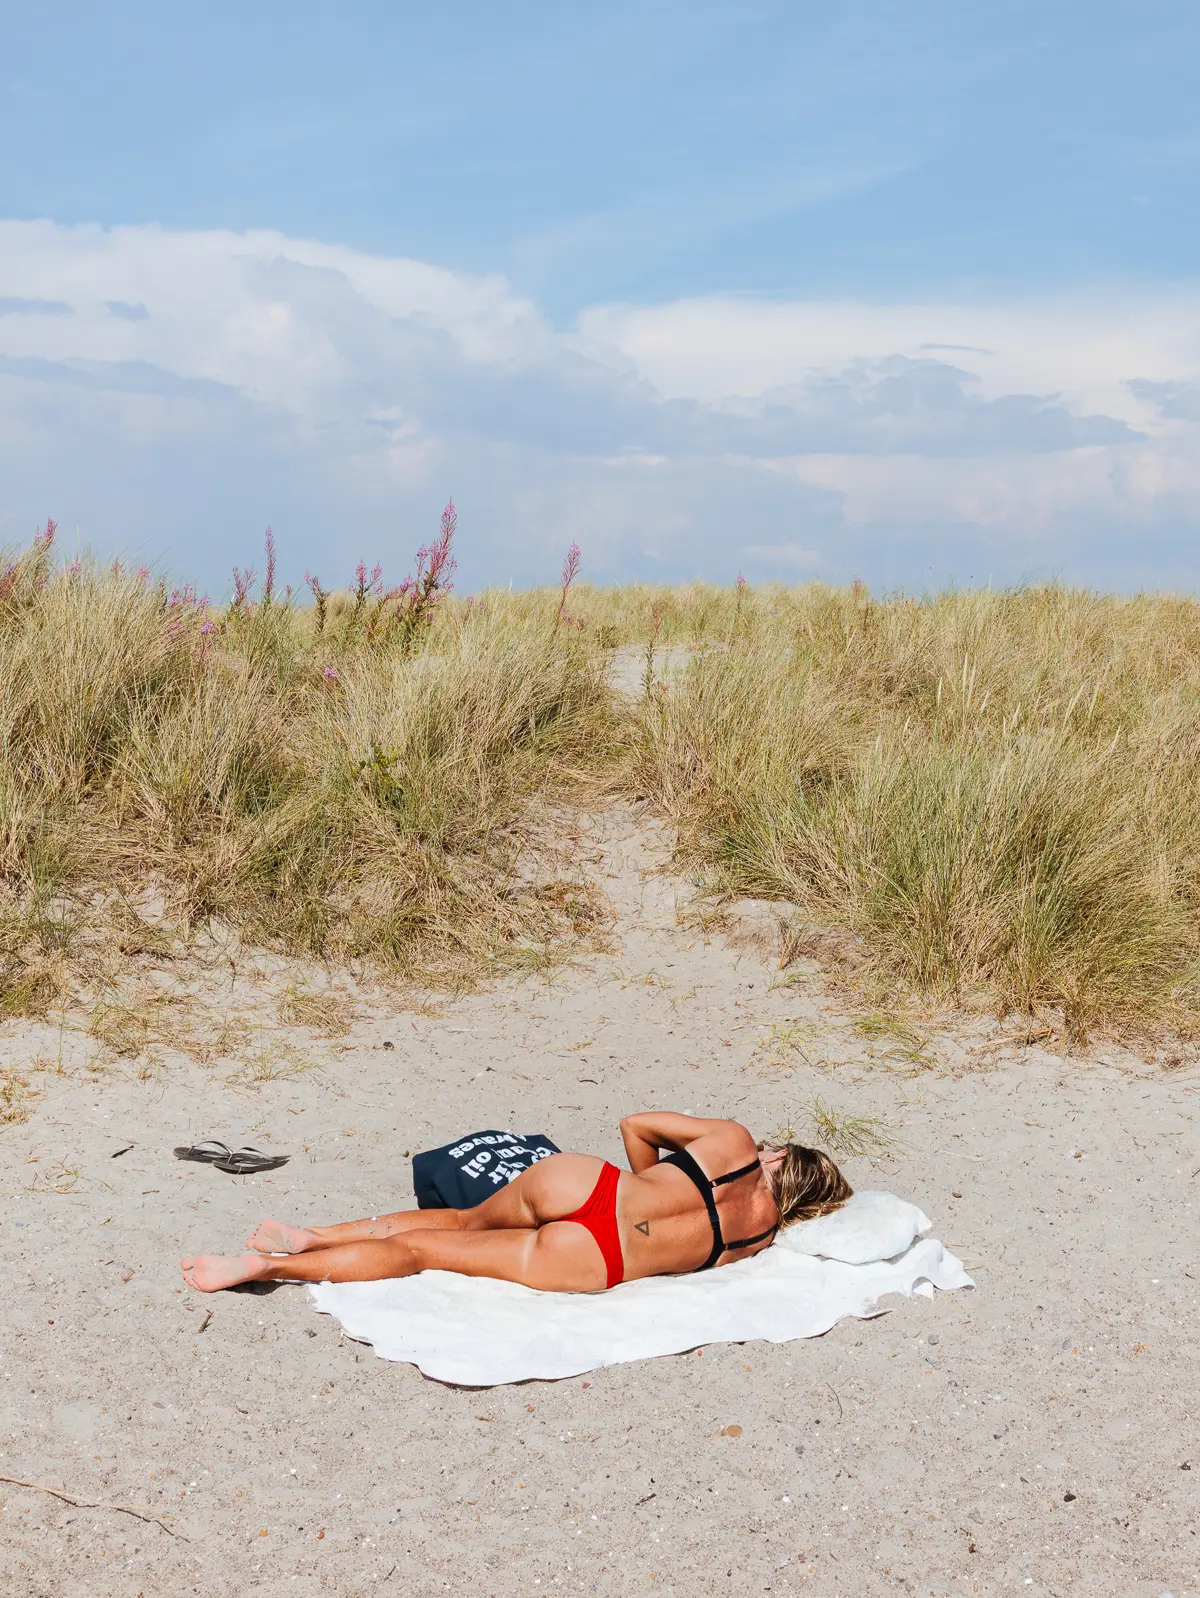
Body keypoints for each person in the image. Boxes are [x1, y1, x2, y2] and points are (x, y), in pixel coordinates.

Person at [179, 1111, 851, 1294]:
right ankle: (268, 1270)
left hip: (591, 1186)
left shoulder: (733, 1141)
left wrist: (649, 1181)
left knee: (462, 1219)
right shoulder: (755, 1243)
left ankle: (311, 1234)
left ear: (781, 1160)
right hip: (595, 1260)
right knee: (420, 1255)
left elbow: (635, 1125)